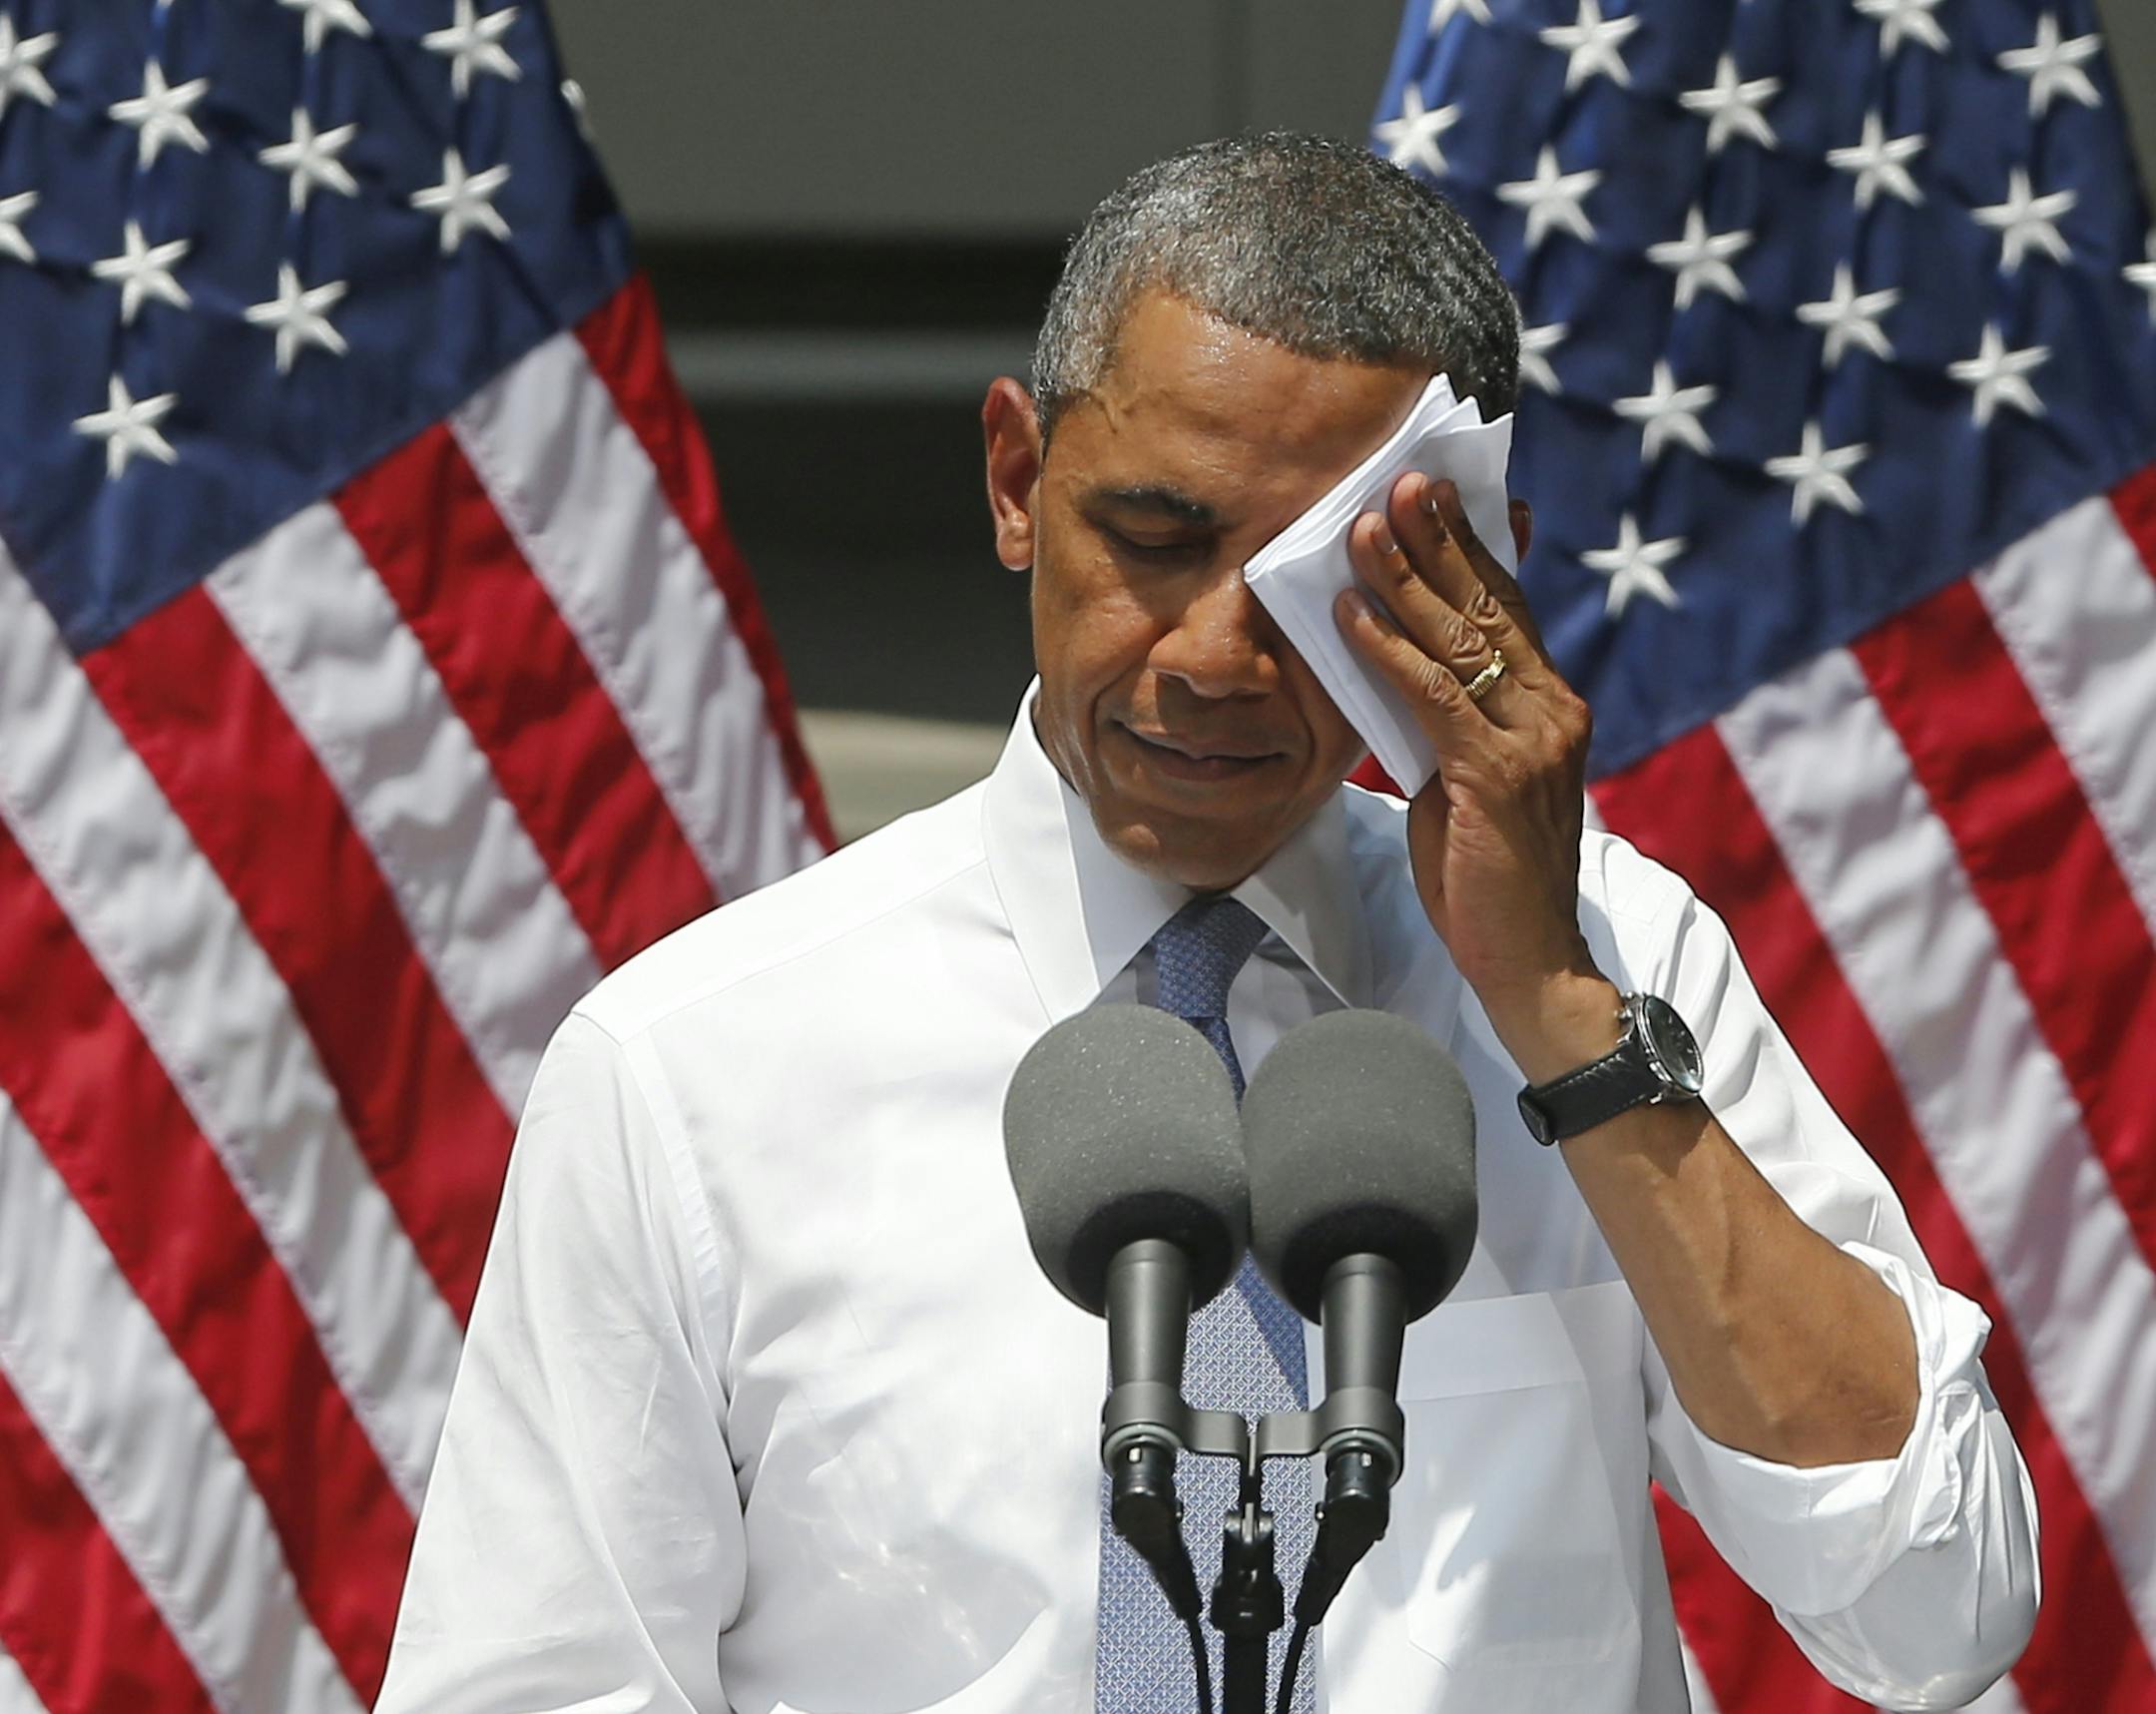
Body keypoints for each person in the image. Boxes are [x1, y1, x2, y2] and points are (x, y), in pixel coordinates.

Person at [375, 134, 2037, 1713]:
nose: (1216, 656)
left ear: (1477, 587)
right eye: (1155, 540)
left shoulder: (1615, 970)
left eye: (1324, 587)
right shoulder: (693, 1069)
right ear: (1019, 479)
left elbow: (1935, 1607)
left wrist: (1553, 1009)